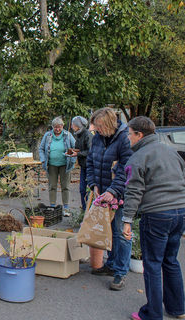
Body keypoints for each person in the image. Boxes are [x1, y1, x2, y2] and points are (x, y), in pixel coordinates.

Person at [122, 116, 185, 320]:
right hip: (179, 211)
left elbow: (133, 192)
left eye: (129, 134)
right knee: (170, 260)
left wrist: (127, 220)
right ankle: (178, 309)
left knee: (153, 264)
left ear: (139, 135)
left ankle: (152, 314)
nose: (128, 138)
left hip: (157, 215)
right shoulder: (170, 151)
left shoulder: (138, 158)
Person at [87, 107, 133, 291]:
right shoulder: (98, 138)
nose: (96, 129)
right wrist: (93, 185)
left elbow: (126, 168)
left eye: (98, 126)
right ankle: (112, 264)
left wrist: (113, 190)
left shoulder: (124, 139)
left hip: (120, 194)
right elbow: (91, 161)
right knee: (109, 230)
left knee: (122, 233)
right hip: (103, 192)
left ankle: (120, 272)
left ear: (108, 124)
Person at [39, 117, 76, 216]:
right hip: (51, 165)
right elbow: (41, 149)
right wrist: (43, 159)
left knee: (65, 187)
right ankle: (52, 206)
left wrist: (72, 160)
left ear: (62, 126)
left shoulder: (68, 135)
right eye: (55, 127)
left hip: (65, 165)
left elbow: (75, 148)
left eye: (59, 127)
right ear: (52, 127)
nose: (57, 129)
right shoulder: (47, 136)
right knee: (52, 186)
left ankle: (66, 208)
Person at [69, 116, 93, 211]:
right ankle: (84, 210)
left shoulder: (87, 135)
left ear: (78, 125)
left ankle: (88, 210)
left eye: (73, 124)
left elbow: (90, 151)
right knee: (82, 190)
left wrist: (78, 153)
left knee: (87, 190)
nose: (71, 126)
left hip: (89, 166)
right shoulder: (78, 134)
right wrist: (72, 151)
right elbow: (80, 148)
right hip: (83, 166)